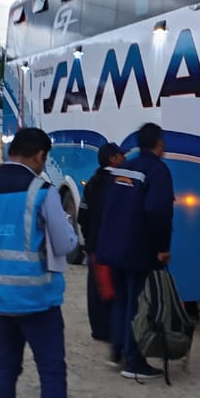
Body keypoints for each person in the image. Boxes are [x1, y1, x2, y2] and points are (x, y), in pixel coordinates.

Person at [0, 126, 100, 398]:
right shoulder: (42, 193)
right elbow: (65, 244)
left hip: (0, 297)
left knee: (6, 370)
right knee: (51, 375)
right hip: (38, 299)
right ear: (40, 156)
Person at [96, 123, 174, 381]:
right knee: (136, 303)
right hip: (137, 248)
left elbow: (110, 205)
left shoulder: (123, 168)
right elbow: (157, 211)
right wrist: (162, 248)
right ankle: (133, 360)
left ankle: (117, 350)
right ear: (159, 144)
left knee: (121, 301)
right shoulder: (158, 170)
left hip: (113, 246)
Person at [77, 142, 124, 347]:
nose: (124, 157)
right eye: (121, 154)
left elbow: (82, 215)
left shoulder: (93, 182)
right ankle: (112, 332)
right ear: (112, 159)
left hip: (95, 245)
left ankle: (98, 329)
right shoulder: (119, 182)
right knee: (113, 289)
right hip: (113, 246)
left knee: (96, 288)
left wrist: (88, 240)